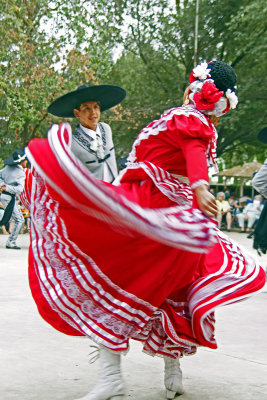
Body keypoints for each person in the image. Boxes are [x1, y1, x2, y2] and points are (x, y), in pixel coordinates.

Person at [25, 61, 265, 400]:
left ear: (197, 89)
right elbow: (185, 154)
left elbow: (193, 153)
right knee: (160, 289)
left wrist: (198, 186)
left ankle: (138, 373)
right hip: (149, 210)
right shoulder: (189, 121)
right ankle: (154, 371)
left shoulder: (191, 121)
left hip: (156, 214)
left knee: (120, 284)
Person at [48, 84, 126, 183]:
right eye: (86, 108)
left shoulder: (106, 129)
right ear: (77, 113)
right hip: (94, 194)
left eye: (96, 107)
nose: (93, 112)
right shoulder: (72, 145)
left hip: (116, 190)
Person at [0, 150, 27, 249]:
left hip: (4, 196)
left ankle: (11, 241)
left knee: (7, 218)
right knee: (19, 220)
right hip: (9, 197)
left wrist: (2, 185)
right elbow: (20, 189)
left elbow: (0, 176)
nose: (26, 162)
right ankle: (11, 242)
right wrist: (6, 187)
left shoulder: (7, 167)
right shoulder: (21, 173)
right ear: (21, 162)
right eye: (25, 160)